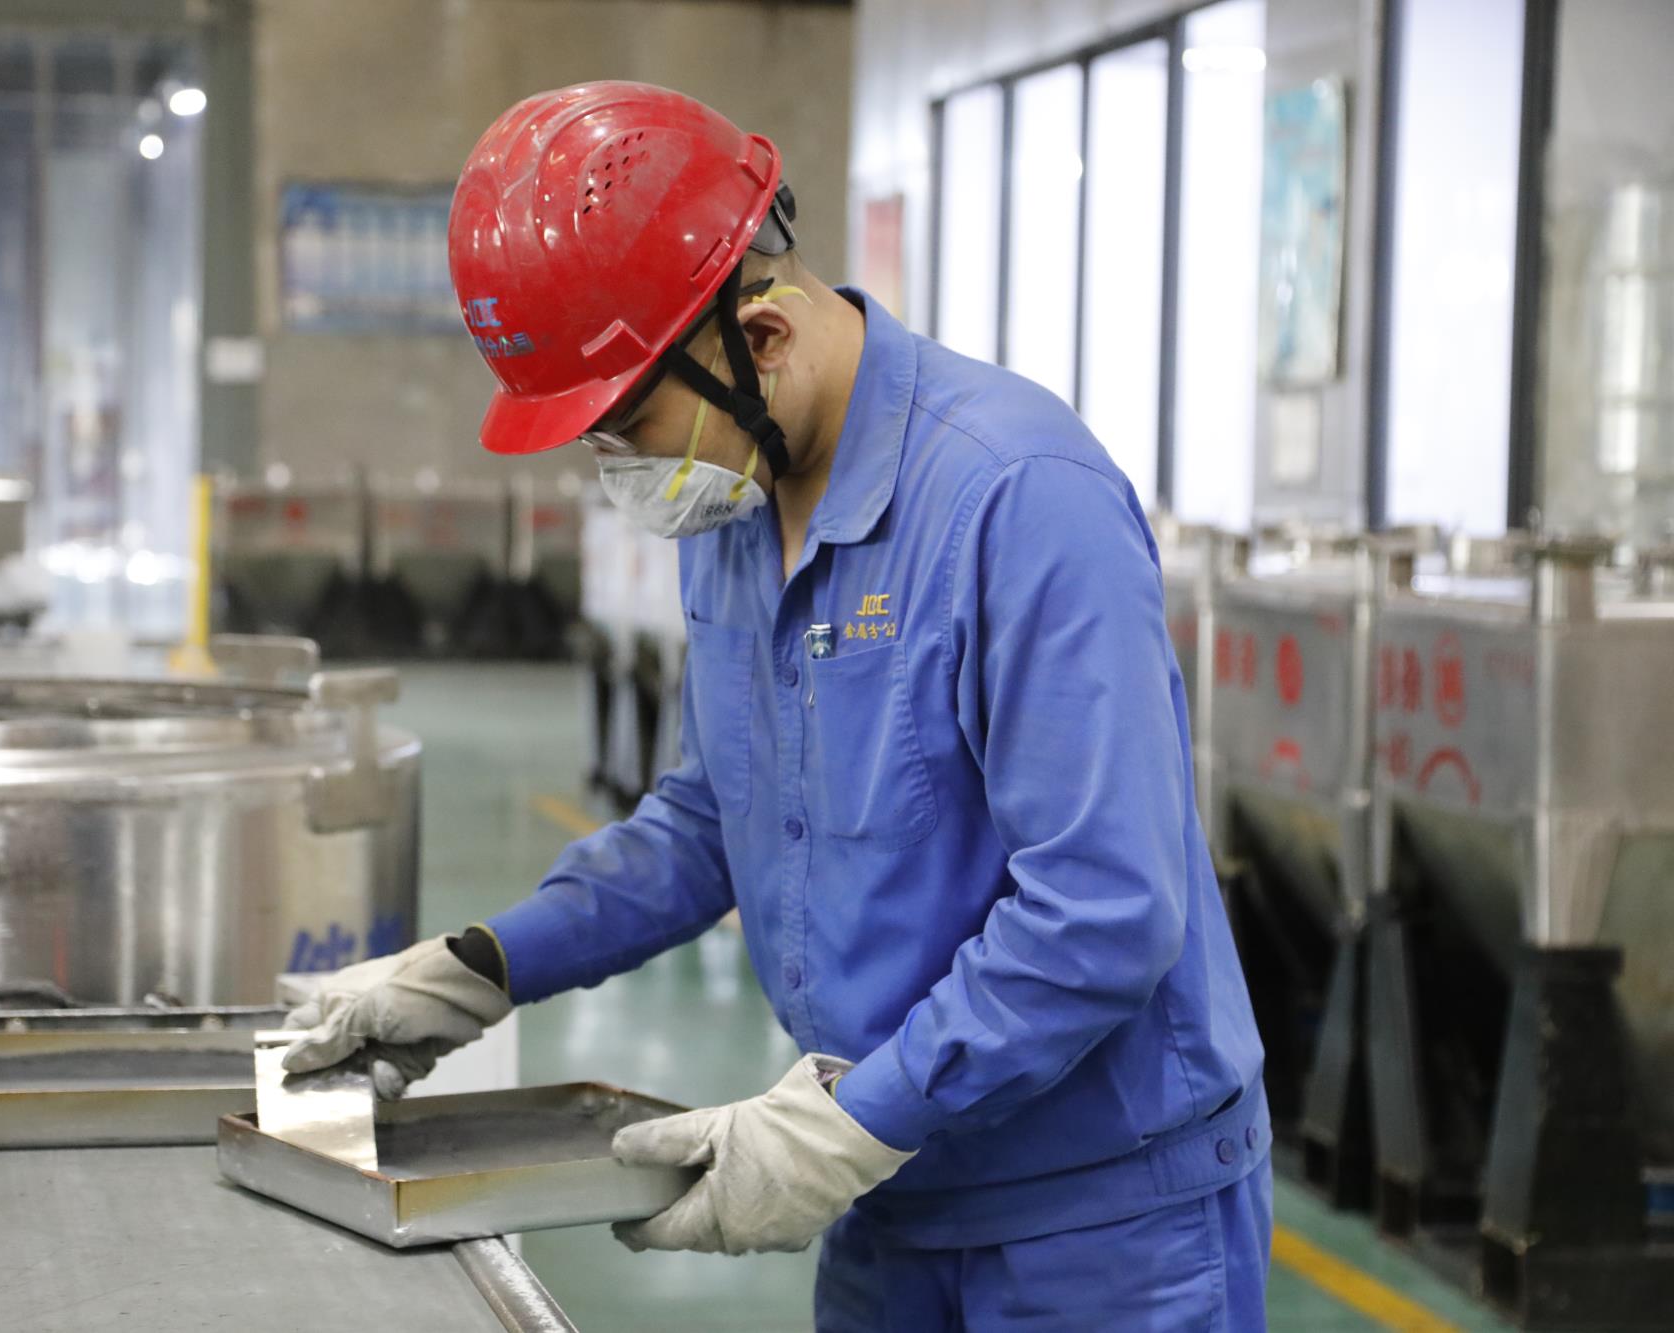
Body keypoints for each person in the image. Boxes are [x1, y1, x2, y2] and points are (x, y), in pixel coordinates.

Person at [282, 82, 1271, 1331]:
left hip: (1097, 1222)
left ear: (757, 337)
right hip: (887, 1182)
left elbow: (1103, 910)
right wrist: (479, 966)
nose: (624, 468)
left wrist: (845, 1122)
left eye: (629, 421)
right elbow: (714, 815)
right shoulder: (735, 500)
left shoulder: (1017, 497)